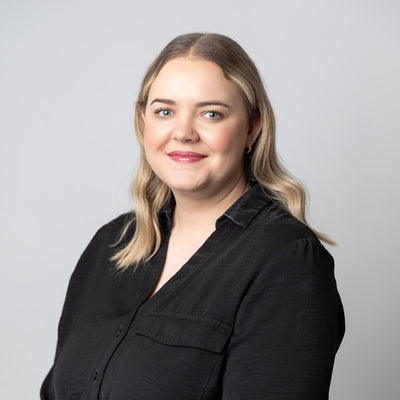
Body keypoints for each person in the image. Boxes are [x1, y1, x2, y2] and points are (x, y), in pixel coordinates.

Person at [40, 33, 345, 400]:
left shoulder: (287, 261)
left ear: (252, 129)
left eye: (211, 113)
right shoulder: (111, 244)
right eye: (165, 111)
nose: (183, 133)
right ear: (143, 121)